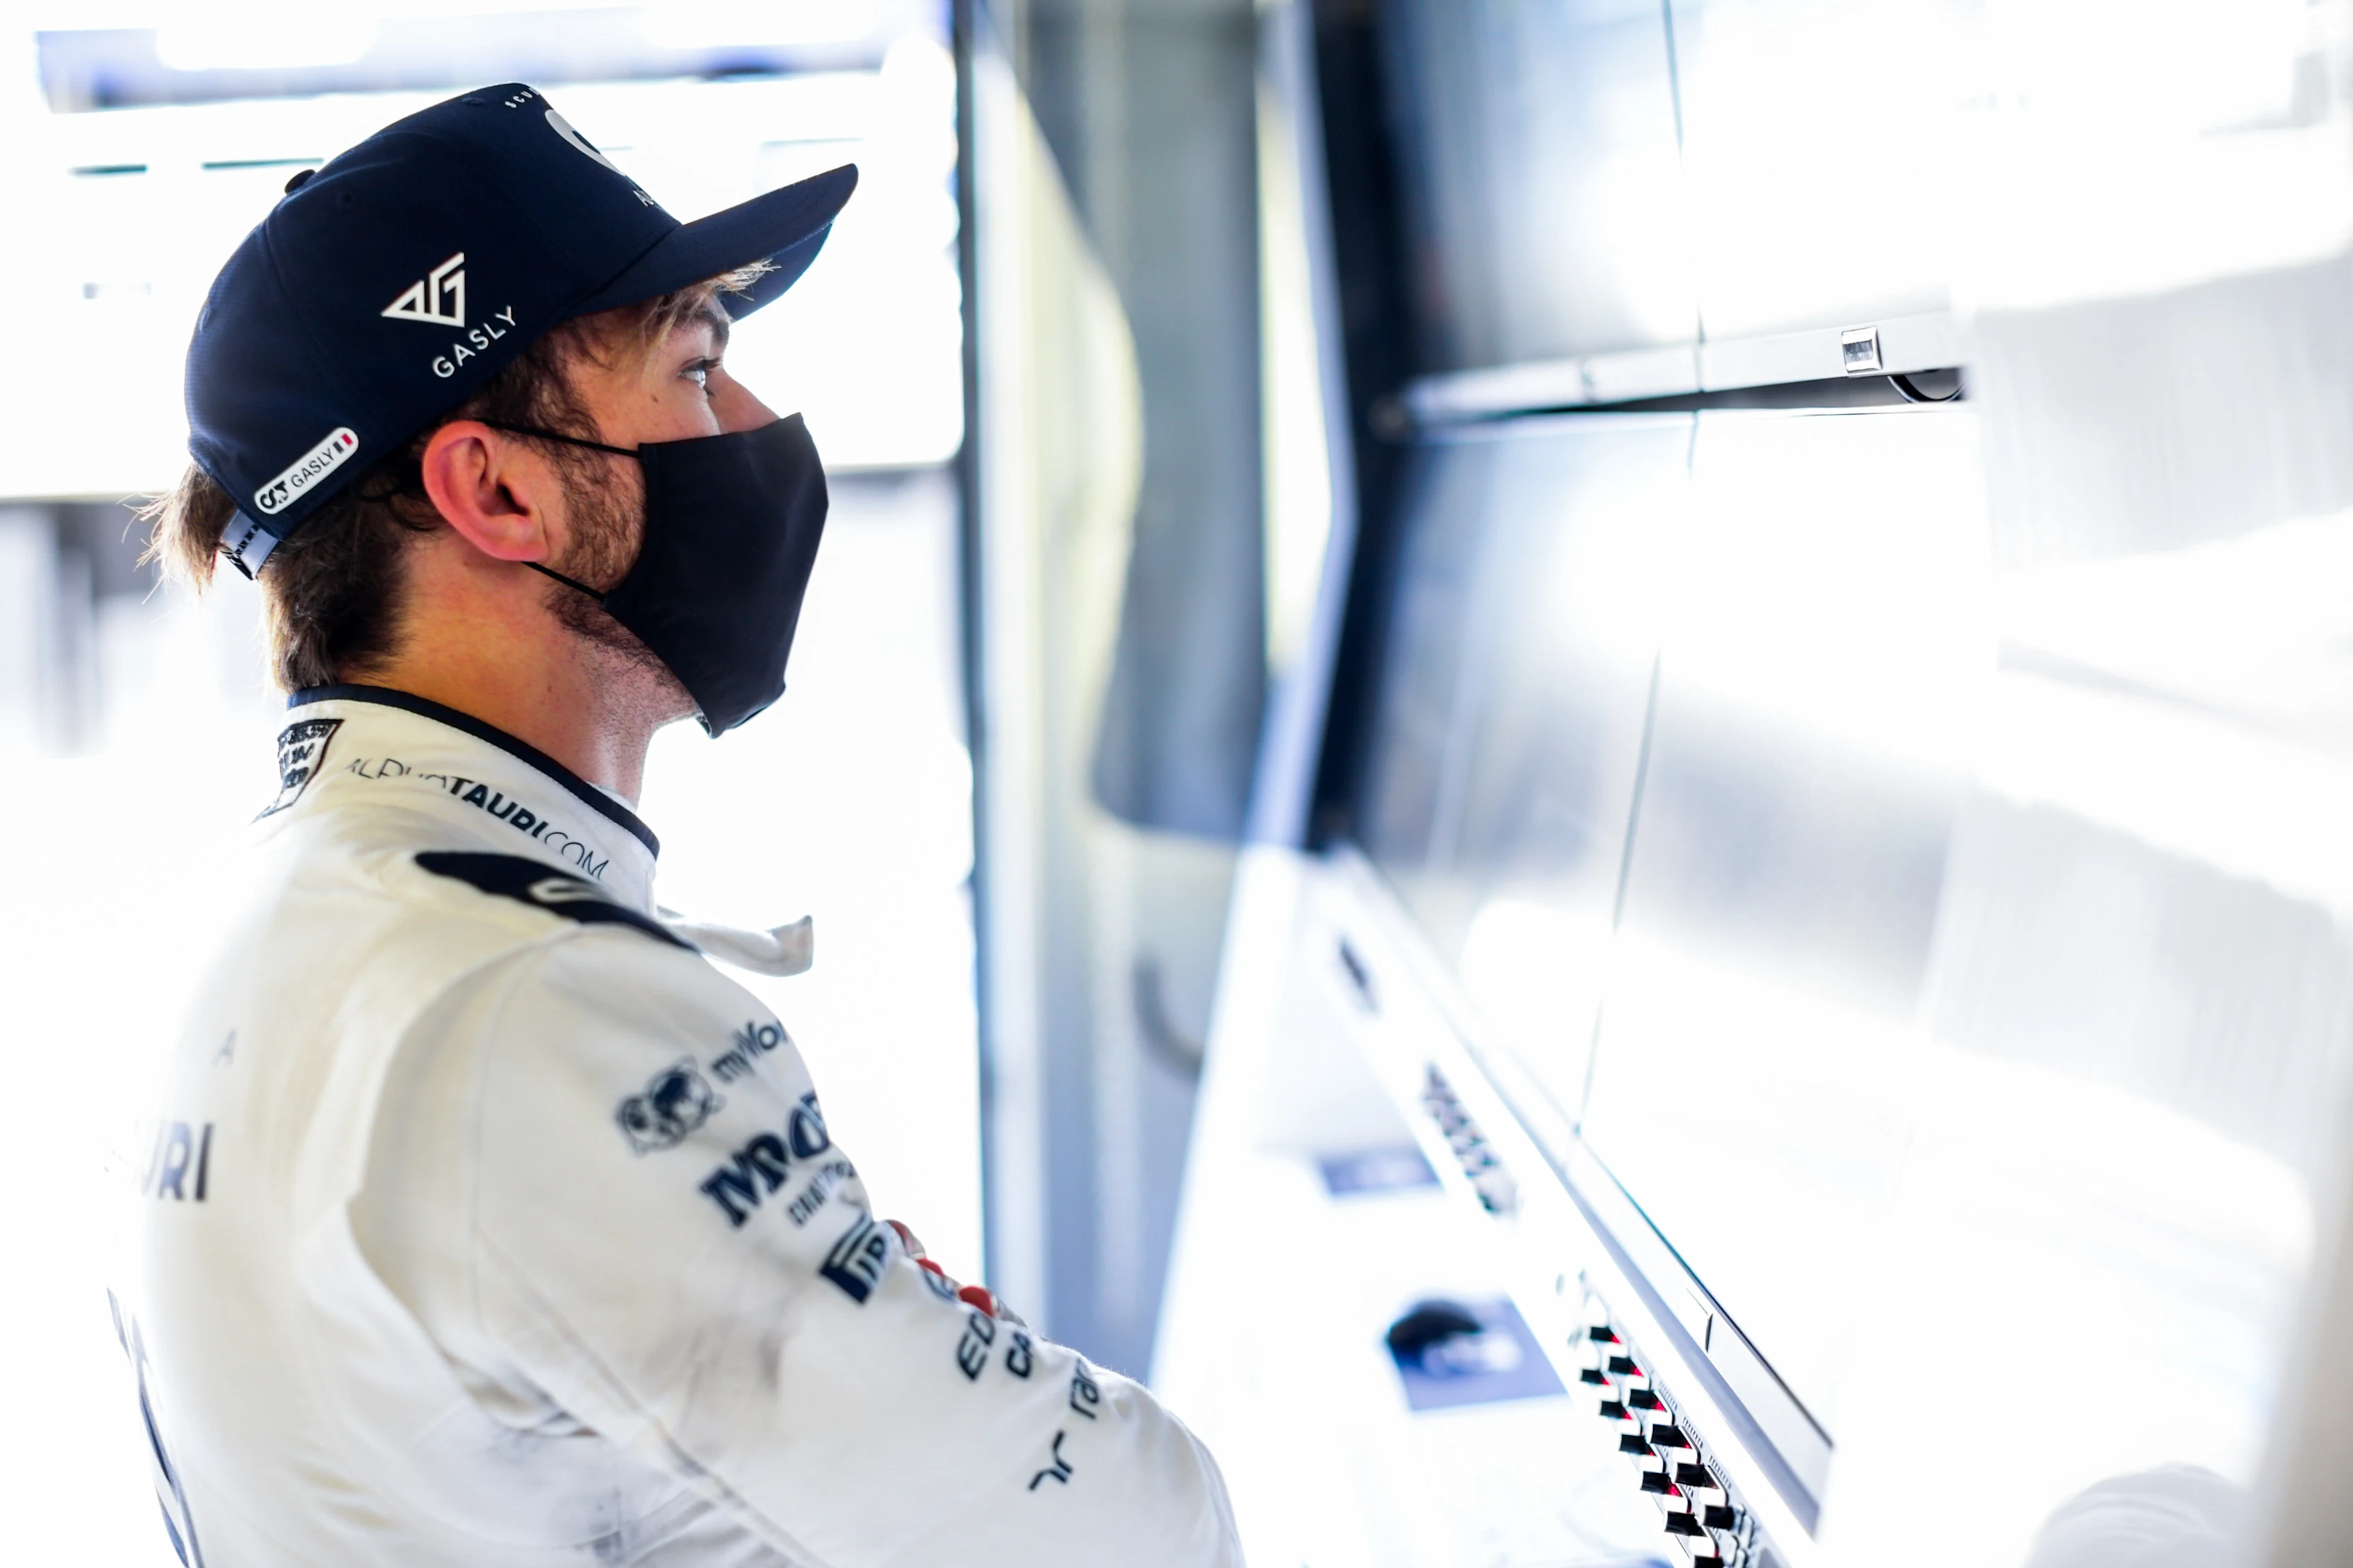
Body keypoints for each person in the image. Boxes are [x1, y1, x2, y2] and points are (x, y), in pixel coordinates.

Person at [123, 82, 1241, 1567]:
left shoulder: (305, 923)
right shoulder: (526, 1003)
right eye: (699, 365)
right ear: (499, 486)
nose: (762, 424)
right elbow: (1134, 1524)